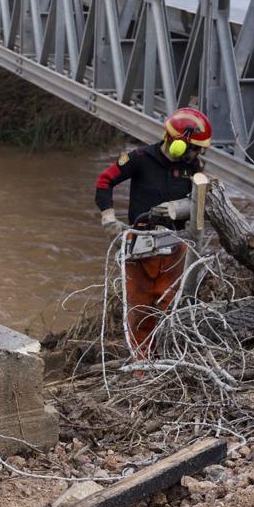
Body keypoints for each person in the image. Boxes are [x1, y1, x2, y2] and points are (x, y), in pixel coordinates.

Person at [94, 107, 212, 351]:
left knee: (171, 306)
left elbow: (202, 205)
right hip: (140, 246)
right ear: (178, 143)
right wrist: (108, 219)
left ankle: (169, 354)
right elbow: (105, 181)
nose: (198, 153)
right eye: (195, 147)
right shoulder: (139, 158)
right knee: (140, 310)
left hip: (175, 247)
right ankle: (142, 362)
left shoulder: (194, 169)